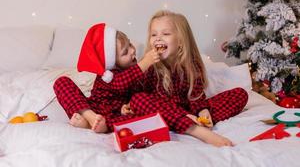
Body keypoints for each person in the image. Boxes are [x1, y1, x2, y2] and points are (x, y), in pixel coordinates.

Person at [127, 10, 248, 147]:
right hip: (162, 113)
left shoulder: (191, 65)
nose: (158, 38)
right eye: (153, 34)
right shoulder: (149, 64)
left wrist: (203, 111)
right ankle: (195, 129)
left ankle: (196, 121)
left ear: (180, 40)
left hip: (189, 112)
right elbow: (135, 90)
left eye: (165, 34)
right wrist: (144, 65)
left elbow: (195, 95)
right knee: (137, 99)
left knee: (240, 94)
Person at [53, 23, 160, 133]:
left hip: (114, 115)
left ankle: (94, 125)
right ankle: (89, 117)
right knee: (61, 82)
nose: (132, 50)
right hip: (93, 108)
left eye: (130, 44)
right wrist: (145, 63)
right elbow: (121, 83)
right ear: (112, 61)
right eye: (125, 52)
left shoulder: (134, 73)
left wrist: (127, 108)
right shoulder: (108, 76)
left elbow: (136, 94)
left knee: (140, 119)